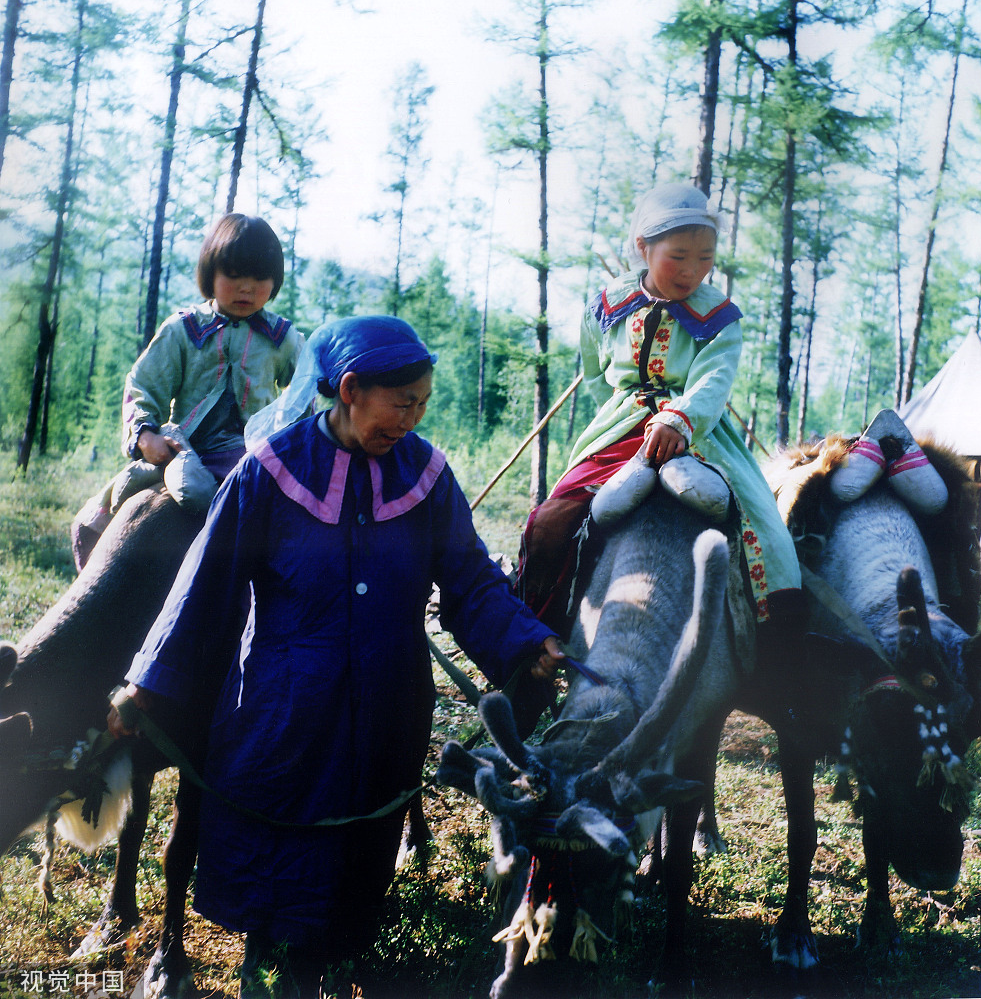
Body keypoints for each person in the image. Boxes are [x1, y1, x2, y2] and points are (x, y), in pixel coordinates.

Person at [107, 316, 565, 998]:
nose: (411, 418)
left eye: (422, 404)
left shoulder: (428, 476)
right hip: (283, 704)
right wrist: (147, 682)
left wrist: (526, 641)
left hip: (387, 705)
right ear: (349, 389)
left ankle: (325, 963)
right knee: (277, 859)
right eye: (400, 402)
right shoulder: (268, 473)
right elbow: (206, 588)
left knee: (357, 860)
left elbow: (469, 581)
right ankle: (266, 967)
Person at [518, 181, 803, 643]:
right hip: (621, 428)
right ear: (644, 248)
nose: (692, 271)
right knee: (549, 521)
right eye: (679, 256)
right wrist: (617, 415)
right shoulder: (608, 306)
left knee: (765, 529)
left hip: (698, 431)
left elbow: (713, 380)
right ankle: (534, 640)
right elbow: (595, 373)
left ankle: (779, 650)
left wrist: (680, 418)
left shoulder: (720, 318)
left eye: (706, 258)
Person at [71, 213, 304, 569]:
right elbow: (143, 383)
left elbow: (304, 390)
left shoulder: (282, 338)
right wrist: (145, 432)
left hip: (254, 452)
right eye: (235, 275)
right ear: (210, 273)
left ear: (275, 281)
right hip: (184, 446)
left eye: (260, 277)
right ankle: (97, 545)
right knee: (123, 494)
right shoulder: (183, 330)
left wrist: (296, 439)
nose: (247, 287)